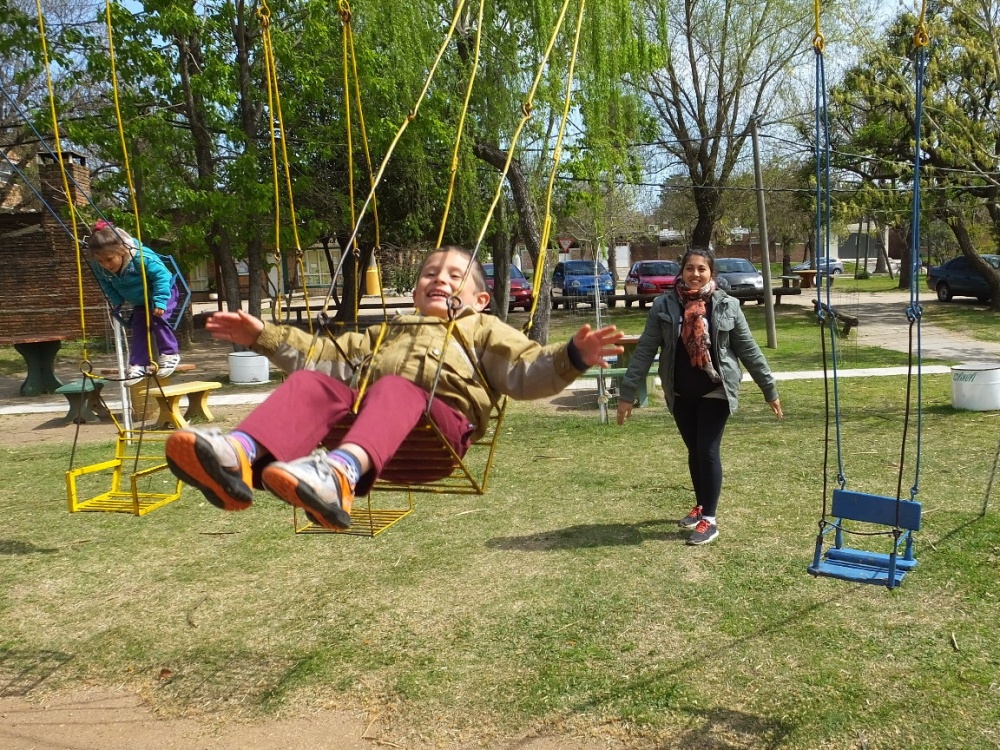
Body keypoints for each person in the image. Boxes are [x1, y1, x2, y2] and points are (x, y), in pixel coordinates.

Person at [165, 245, 624, 530]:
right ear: (415, 291)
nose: (439, 280)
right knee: (314, 380)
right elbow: (316, 354)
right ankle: (239, 458)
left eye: (454, 276)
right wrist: (260, 336)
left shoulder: (484, 329)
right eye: (429, 274)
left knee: (397, 389)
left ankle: (338, 476)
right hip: (375, 437)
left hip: (438, 438)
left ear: (480, 299)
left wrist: (572, 357)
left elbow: (526, 370)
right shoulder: (383, 333)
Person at [616, 247, 782, 546]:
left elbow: (749, 350)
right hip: (681, 391)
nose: (695, 274)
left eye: (701, 269)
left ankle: (710, 519)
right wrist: (628, 393)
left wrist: (768, 388)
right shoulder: (664, 306)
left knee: (707, 449)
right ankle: (701, 506)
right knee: (694, 450)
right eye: (690, 268)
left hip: (716, 389)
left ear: (711, 273)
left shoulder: (727, 305)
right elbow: (644, 351)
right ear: (682, 271)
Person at [86, 220, 181, 384]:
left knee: (157, 319)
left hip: (164, 292)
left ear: (122, 251)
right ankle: (139, 364)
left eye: (109, 259)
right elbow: (106, 285)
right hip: (140, 300)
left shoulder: (141, 257)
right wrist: (117, 301)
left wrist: (159, 302)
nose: (106, 265)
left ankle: (170, 353)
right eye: (100, 261)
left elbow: (162, 276)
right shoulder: (99, 267)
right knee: (138, 327)